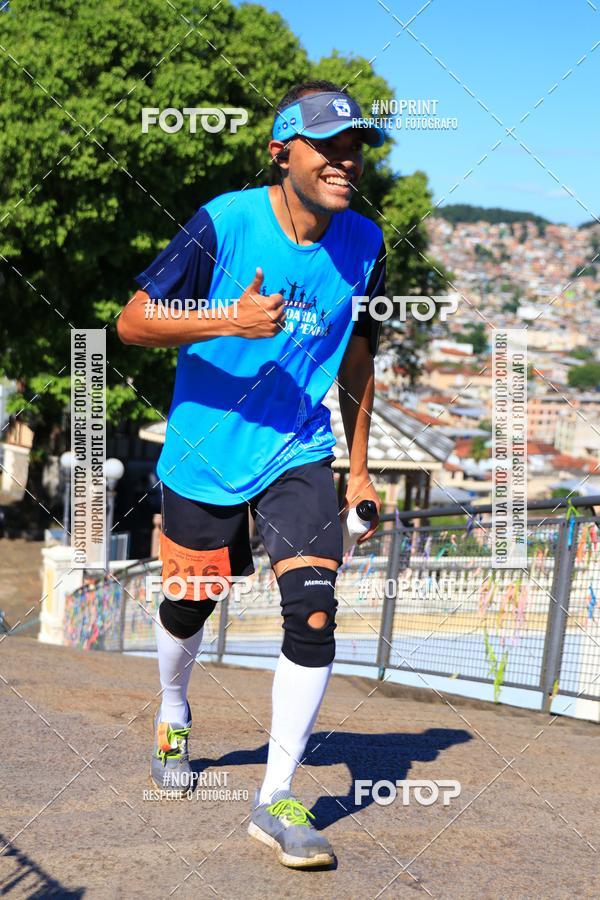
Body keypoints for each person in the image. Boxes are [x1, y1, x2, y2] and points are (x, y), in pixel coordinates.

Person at [117, 80, 387, 869]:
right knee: (189, 606)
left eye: (355, 145)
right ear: (281, 151)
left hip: (299, 451)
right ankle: (172, 705)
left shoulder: (364, 243)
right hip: (204, 453)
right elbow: (131, 322)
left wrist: (361, 468)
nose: (346, 159)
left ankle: (274, 799)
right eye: (328, 145)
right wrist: (228, 317)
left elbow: (360, 356)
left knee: (311, 612)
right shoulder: (225, 222)